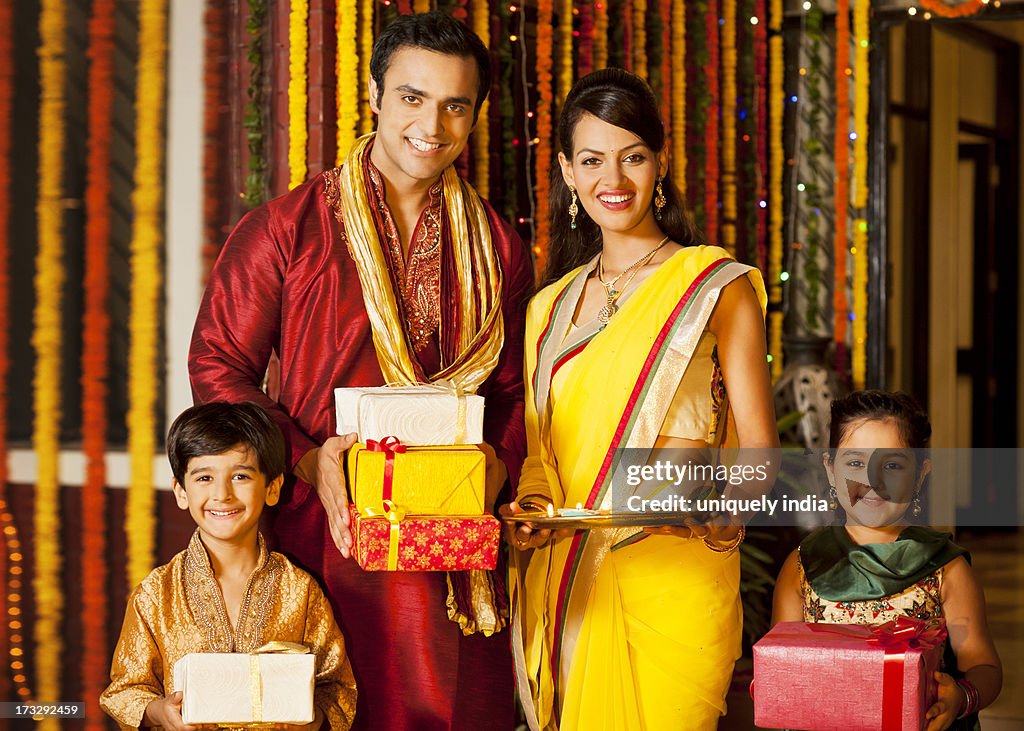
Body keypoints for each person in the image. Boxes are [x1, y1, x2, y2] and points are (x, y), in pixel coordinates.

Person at [188, 11, 531, 730]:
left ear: (474, 116)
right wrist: (311, 463)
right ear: (375, 95)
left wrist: (496, 466)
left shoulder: (497, 244)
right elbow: (220, 366)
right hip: (324, 539)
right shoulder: (287, 228)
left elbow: (511, 389)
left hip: (452, 550)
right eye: (412, 97)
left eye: (454, 105)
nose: (431, 125)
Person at [501, 68, 778, 730]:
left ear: (661, 162)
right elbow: (545, 457)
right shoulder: (548, 308)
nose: (613, 179)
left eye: (633, 156)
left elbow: (762, 454)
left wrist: (727, 510)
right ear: (568, 171)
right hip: (572, 580)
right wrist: (535, 511)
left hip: (678, 577)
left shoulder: (714, 284)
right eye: (592, 159)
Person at [100, 402, 357, 731]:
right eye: (204, 477)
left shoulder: (300, 590)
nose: (221, 494)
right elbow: (124, 690)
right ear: (181, 491)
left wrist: (312, 718)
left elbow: (337, 689)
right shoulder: (157, 593)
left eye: (240, 476)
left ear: (272, 488)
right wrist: (158, 711)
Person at [773, 390, 1002, 730]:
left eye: (892, 465)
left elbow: (985, 667)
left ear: (921, 473)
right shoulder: (803, 565)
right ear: (830, 469)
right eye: (854, 463)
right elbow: (783, 664)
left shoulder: (945, 567)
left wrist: (960, 698)